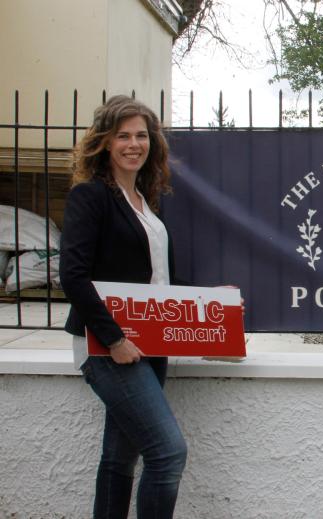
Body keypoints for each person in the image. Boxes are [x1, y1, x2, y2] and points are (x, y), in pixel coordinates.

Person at [59, 95, 187, 518]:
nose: (134, 144)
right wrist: (114, 339)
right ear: (104, 143)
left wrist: (210, 301)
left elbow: (156, 282)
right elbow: (73, 276)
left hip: (150, 346)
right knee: (168, 452)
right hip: (109, 348)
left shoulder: (146, 202)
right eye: (123, 135)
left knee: (119, 460)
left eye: (141, 135)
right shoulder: (91, 196)